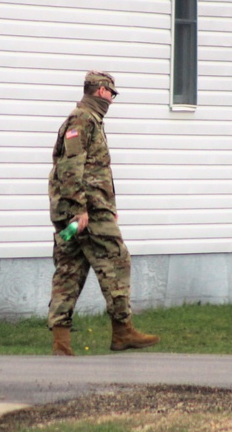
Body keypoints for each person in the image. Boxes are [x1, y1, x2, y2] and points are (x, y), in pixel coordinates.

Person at [47, 71, 160, 356]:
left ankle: (61, 343)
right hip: (88, 211)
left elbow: (96, 170)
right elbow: (71, 166)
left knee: (69, 271)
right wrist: (79, 209)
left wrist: (111, 207)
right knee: (116, 259)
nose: (112, 99)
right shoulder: (82, 120)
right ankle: (122, 331)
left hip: (89, 208)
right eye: (111, 93)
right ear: (100, 91)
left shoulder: (89, 120)